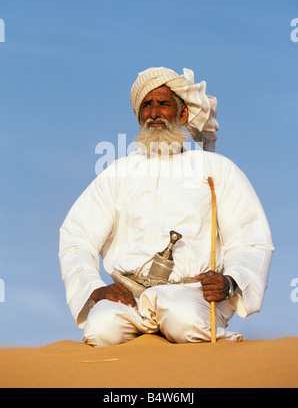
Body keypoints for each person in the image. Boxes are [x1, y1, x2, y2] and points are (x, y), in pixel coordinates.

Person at [59, 67, 274, 346]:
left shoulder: (216, 170)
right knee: (101, 330)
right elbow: (76, 237)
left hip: (192, 295)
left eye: (164, 104)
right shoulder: (117, 174)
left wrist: (231, 282)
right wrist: (95, 288)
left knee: (184, 321)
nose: (154, 113)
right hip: (129, 297)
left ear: (182, 114)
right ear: (139, 116)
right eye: (146, 105)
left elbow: (250, 238)